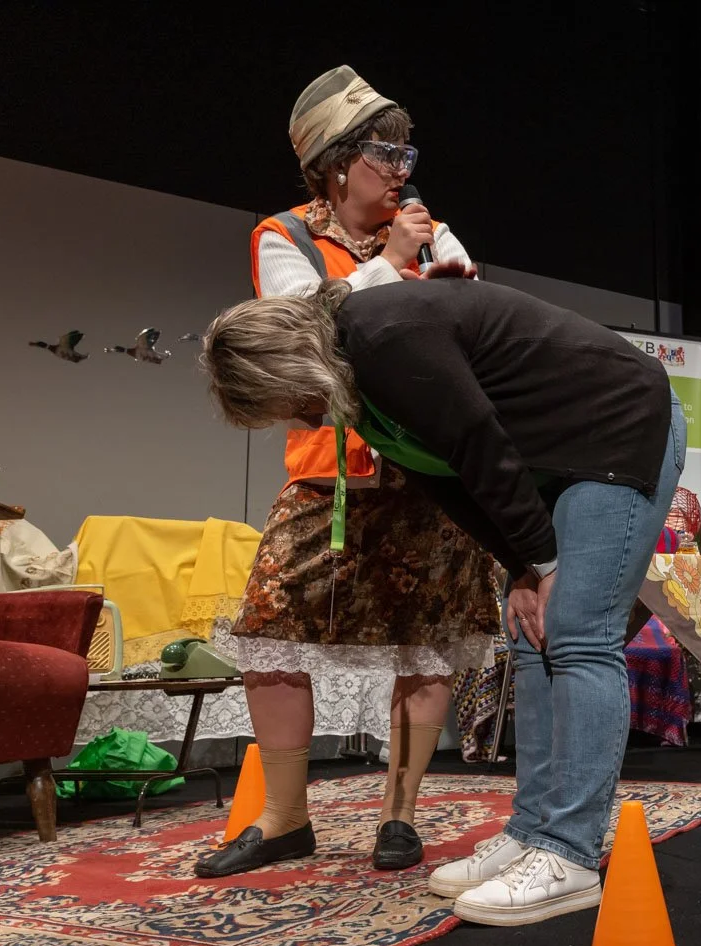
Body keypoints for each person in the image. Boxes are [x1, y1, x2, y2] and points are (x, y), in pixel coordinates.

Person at [199, 276, 685, 926]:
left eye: (285, 402)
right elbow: (450, 482)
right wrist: (523, 567)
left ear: (287, 366)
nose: (300, 419)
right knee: (532, 630)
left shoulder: (383, 338)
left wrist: (544, 565)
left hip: (618, 426)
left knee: (577, 631)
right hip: (552, 457)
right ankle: (533, 831)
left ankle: (569, 854)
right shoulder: (358, 384)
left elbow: (479, 443)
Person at [194, 67, 497, 880]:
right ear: (333, 163)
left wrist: (438, 282)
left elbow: (473, 325)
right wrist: (390, 264)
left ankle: (400, 814)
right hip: (329, 473)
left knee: (426, 639)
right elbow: (304, 332)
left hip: (427, 467)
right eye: (381, 153)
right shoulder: (282, 237)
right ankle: (285, 818)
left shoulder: (435, 233)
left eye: (405, 153)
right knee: (268, 627)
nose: (401, 168)